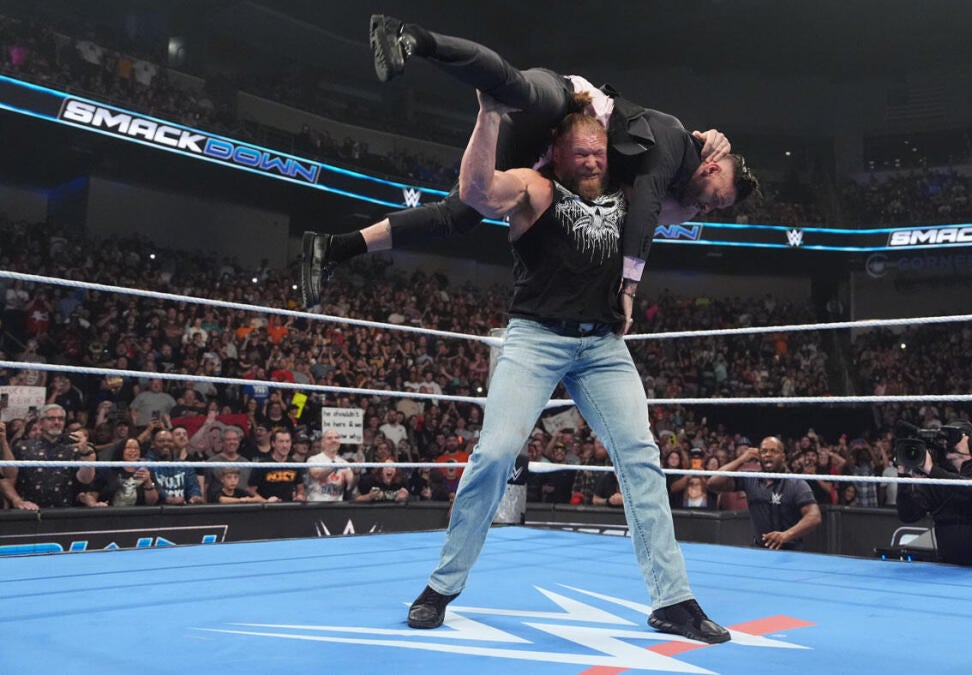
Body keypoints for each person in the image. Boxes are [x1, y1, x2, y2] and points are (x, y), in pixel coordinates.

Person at [403, 90, 730, 645]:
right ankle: (441, 586)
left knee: (642, 458)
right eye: (580, 152)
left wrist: (711, 144)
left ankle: (673, 600)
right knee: (495, 454)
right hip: (536, 337)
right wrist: (488, 117)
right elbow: (477, 191)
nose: (593, 161)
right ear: (556, 152)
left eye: (599, 151)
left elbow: (702, 191)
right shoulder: (535, 187)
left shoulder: (631, 193)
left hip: (602, 345)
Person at [300, 18, 758, 309]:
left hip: (549, 159)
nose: (709, 208)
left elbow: (648, 216)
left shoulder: (687, 195)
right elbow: (647, 207)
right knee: (515, 90)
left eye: (716, 208)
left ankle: (334, 247)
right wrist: (629, 288)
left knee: (460, 214)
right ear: (712, 167)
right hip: (571, 104)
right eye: (716, 198)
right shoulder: (675, 142)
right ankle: (412, 38)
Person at [896, 422, 972, 568]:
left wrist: (932, 470)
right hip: (949, 570)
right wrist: (904, 477)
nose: (948, 442)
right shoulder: (937, 481)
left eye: (956, 437)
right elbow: (908, 515)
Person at [708, 437, 822, 551]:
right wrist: (741, 459)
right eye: (764, 451)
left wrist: (786, 535)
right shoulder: (751, 478)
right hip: (760, 550)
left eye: (773, 451)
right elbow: (713, 483)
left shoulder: (795, 483)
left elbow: (814, 516)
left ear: (783, 457)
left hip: (790, 551)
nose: (768, 454)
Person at [0, 404, 97, 510]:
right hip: (29, 511)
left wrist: (86, 453)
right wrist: (17, 500)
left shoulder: (75, 448)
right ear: (40, 422)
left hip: (64, 511)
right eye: (51, 418)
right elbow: (6, 478)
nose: (56, 422)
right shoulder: (22, 447)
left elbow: (85, 480)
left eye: (60, 419)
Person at [248, 429, 307, 502]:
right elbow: (251, 490)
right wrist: (266, 501)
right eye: (281, 442)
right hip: (266, 507)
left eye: (287, 441)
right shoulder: (262, 465)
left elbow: (300, 488)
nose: (285, 445)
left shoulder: (294, 464)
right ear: (273, 444)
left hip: (288, 506)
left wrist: (300, 496)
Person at [305, 429, 355, 502]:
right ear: (322, 442)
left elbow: (350, 485)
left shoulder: (344, 463)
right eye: (329, 438)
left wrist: (355, 474)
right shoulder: (313, 460)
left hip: (336, 505)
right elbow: (317, 475)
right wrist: (334, 466)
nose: (334, 440)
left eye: (336, 438)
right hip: (316, 504)